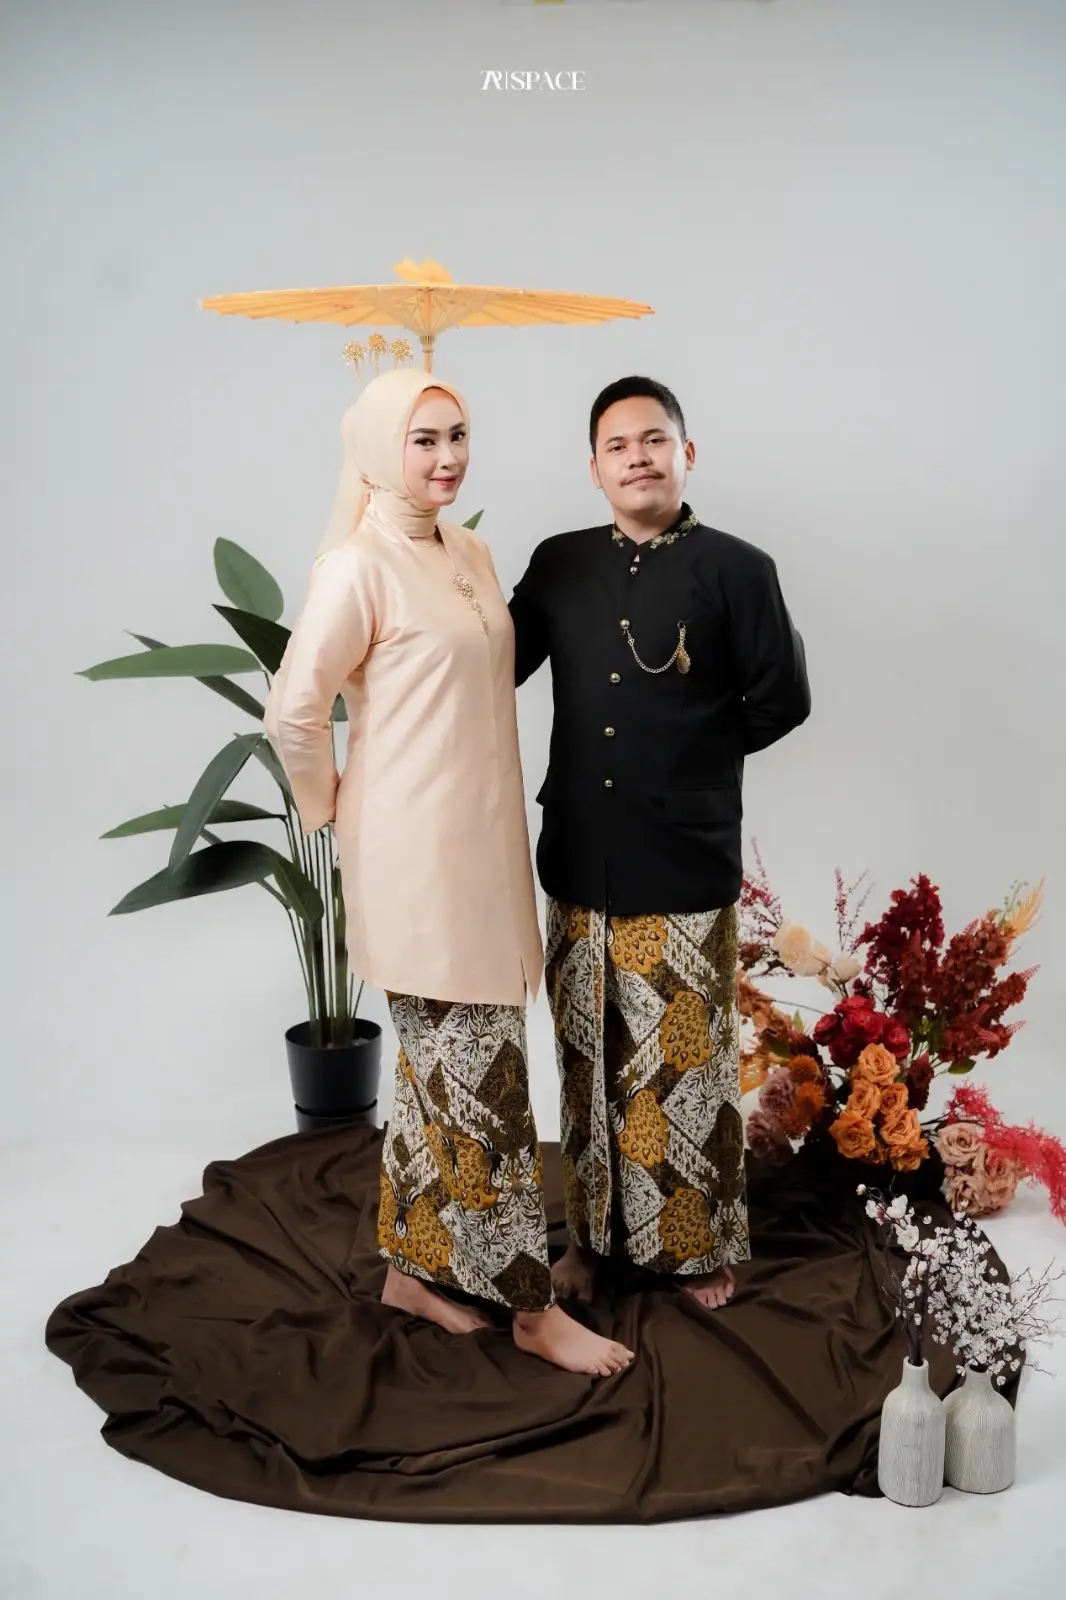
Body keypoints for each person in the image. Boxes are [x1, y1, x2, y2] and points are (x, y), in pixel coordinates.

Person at [264, 367, 634, 1377]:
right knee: (483, 1078)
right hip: (414, 854)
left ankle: (409, 1271)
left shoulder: (466, 549)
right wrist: (332, 806)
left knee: (439, 1068)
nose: (446, 458)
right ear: (380, 450)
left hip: (482, 841)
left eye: (457, 435)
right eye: (423, 439)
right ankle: (531, 1309)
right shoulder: (358, 566)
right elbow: (295, 709)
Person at [509, 375, 811, 1311]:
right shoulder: (560, 563)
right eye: (617, 445)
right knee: (586, 1062)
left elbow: (784, 699)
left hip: (682, 858)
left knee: (683, 1066)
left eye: (653, 440)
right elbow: (492, 662)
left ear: (688, 453)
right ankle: (590, 1242)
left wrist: (690, 755)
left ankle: (698, 1246)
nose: (637, 458)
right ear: (593, 467)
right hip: (579, 855)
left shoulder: (738, 568)